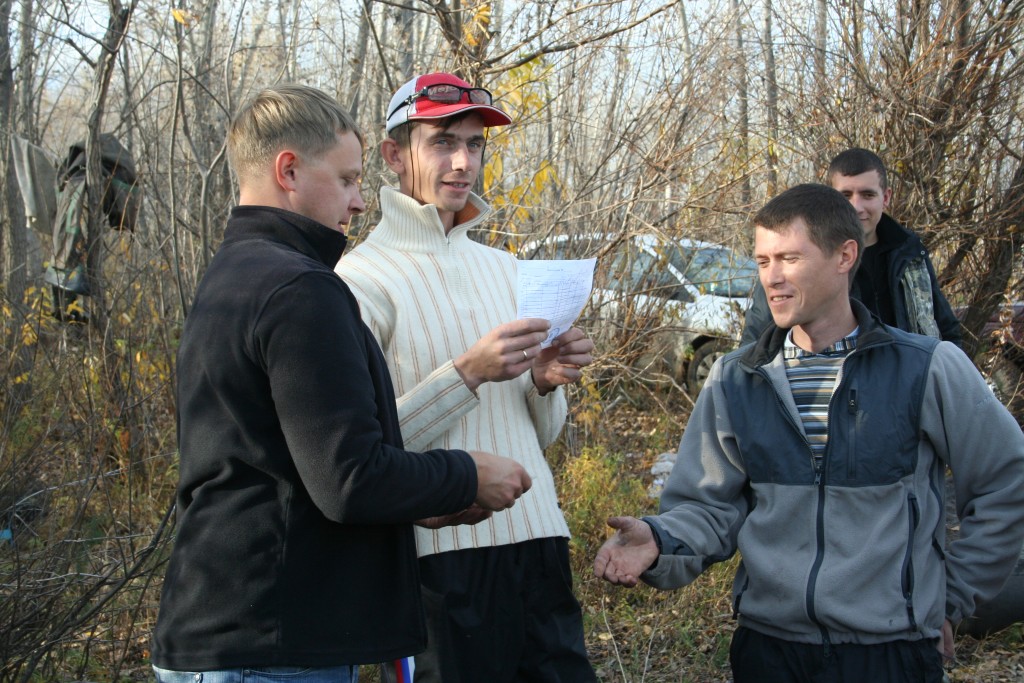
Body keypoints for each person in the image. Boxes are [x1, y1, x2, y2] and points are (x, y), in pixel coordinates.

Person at [150, 84, 532, 682]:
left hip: (236, 635)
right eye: (349, 180)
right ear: (288, 171)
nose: (358, 202)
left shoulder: (236, 274)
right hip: (270, 647)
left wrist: (423, 504)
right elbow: (350, 479)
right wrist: (466, 474)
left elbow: (288, 469)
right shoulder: (300, 288)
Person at [594, 183, 1024, 682]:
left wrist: (951, 597)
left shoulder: (927, 368)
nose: (771, 277)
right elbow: (709, 508)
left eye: (789, 259)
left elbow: (1006, 481)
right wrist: (660, 539)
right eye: (762, 261)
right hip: (769, 652)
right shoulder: (736, 378)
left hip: (891, 653)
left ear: (845, 256)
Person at [336, 72, 597, 682]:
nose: (463, 162)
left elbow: (540, 437)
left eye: (475, 144)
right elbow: (361, 456)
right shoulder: (358, 281)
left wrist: (543, 383)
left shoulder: (507, 269)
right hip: (434, 562)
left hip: (539, 541)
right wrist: (468, 373)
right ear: (394, 155)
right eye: (443, 142)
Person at [741, 148, 962, 346]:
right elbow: (755, 341)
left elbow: (945, 328)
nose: (856, 207)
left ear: (885, 197)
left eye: (867, 195)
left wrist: (939, 373)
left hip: (909, 374)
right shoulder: (799, 261)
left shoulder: (910, 253)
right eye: (845, 195)